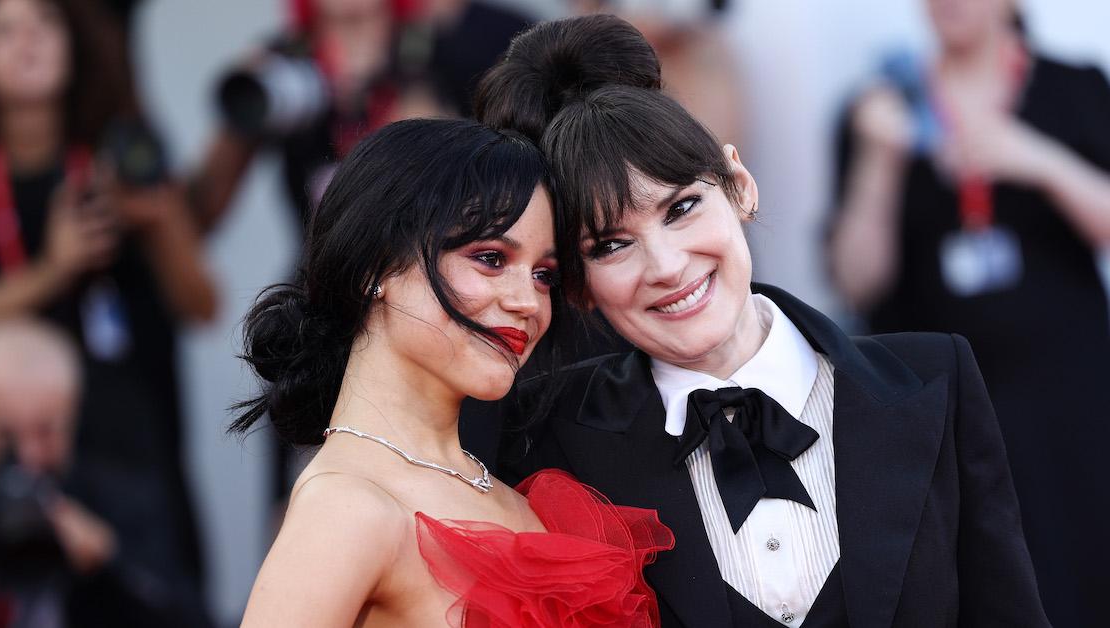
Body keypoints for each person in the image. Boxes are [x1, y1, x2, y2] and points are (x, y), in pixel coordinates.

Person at [467, 14, 1049, 627]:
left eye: (681, 208)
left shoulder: (936, 379)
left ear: (739, 186)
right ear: (578, 287)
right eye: (611, 245)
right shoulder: (542, 439)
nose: (666, 266)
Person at [232, 117, 674, 627]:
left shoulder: (522, 495)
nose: (526, 301)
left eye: (543, 275)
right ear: (375, 267)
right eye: (490, 258)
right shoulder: (347, 507)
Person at [0, 0, 216, 612]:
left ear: (76, 42)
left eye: (44, 23)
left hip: (125, 454)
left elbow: (203, 303)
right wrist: (51, 270)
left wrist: (157, 220)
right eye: (4, 29)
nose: (29, 41)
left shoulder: (125, 149)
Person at [827, 2, 1110, 625]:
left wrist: (1037, 160)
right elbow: (855, 279)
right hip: (945, 405)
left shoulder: (1074, 87)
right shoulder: (882, 107)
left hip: (1074, 399)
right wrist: (881, 160)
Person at [0, 318, 209, 627]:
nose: (28, 456)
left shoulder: (123, 500)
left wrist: (107, 562)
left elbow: (189, 615)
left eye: (46, 432)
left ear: (74, 415)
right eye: (4, 435)